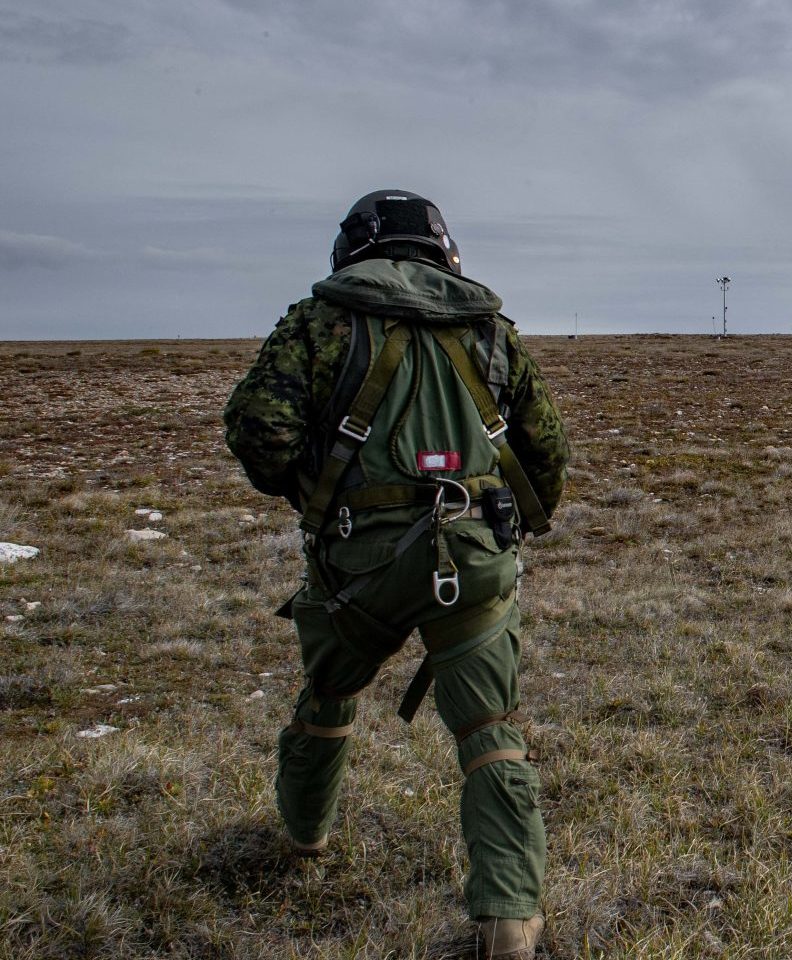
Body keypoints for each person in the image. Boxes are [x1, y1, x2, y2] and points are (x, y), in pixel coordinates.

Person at [223, 189, 569, 958]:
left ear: (353, 249)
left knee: (330, 696)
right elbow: (547, 451)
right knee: (490, 733)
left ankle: (304, 839)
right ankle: (510, 921)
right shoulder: (489, 329)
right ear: (444, 250)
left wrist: (320, 496)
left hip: (359, 563)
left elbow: (259, 432)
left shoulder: (319, 322)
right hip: (474, 561)